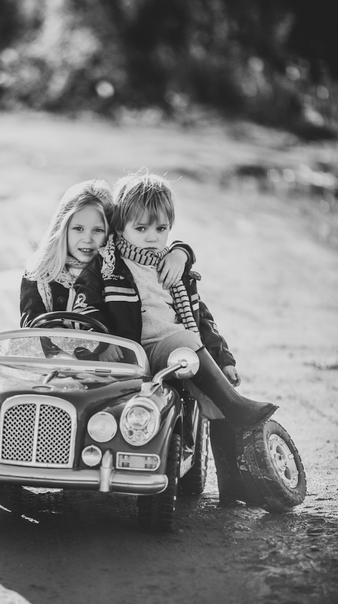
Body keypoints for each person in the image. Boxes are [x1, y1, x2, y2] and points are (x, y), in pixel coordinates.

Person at [72, 171, 277, 432]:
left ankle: (231, 443)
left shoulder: (172, 266)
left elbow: (201, 317)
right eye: (141, 228)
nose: (152, 237)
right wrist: (102, 341)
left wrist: (223, 359)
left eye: (161, 229)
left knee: (212, 404)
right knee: (187, 342)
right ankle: (234, 405)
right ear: (120, 227)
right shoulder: (109, 266)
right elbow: (86, 305)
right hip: (137, 353)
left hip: (179, 353)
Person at [20, 178, 194, 328]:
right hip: (55, 353)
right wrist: (60, 337)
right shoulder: (40, 273)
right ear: (62, 228)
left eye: (98, 230)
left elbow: (149, 252)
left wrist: (180, 253)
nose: (87, 239)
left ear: (112, 230)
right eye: (78, 229)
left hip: (109, 354)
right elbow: (31, 321)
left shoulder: (116, 269)